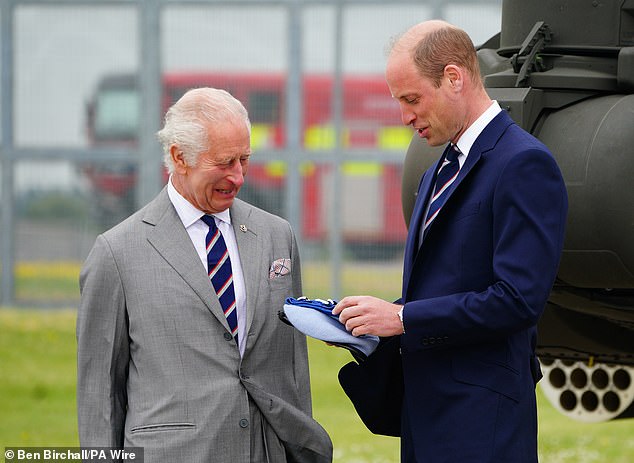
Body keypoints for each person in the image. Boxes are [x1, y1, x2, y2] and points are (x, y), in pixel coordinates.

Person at [333, 20, 568, 462]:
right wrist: (365, 325)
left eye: (412, 99)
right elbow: (441, 289)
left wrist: (403, 318)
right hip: (425, 419)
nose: (405, 117)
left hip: (481, 425)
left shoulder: (524, 164)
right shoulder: (437, 170)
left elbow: (518, 300)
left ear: (454, 78)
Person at [77, 87, 332, 463]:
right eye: (225, 162)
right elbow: (99, 393)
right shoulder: (117, 252)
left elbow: (292, 366)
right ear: (180, 157)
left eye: (244, 159)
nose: (239, 176)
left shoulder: (277, 236)